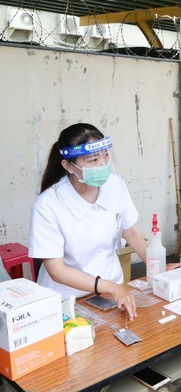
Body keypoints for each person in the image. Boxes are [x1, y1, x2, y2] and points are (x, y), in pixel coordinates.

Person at [29, 123, 147, 320]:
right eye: (93, 159)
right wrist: (110, 286)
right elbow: (57, 270)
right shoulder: (47, 205)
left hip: (113, 295)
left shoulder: (115, 185)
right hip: (68, 301)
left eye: (105, 156)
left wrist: (157, 267)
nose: (102, 164)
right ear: (68, 166)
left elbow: (131, 232)